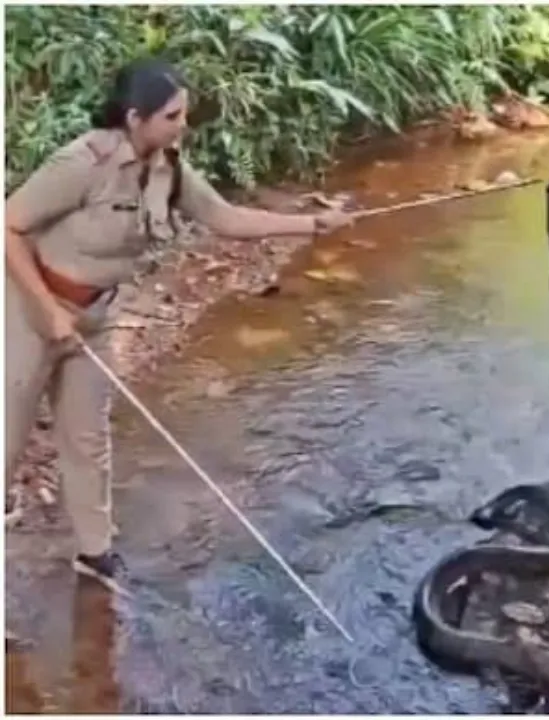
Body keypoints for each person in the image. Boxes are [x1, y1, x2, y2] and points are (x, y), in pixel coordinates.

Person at [4, 57, 352, 584]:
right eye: (172, 115)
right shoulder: (81, 163)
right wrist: (47, 310)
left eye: (183, 115)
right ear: (134, 117)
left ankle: (94, 553)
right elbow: (8, 225)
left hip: (95, 317)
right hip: (28, 312)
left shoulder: (170, 170)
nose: (182, 126)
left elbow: (227, 219)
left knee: (87, 438)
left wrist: (310, 224)